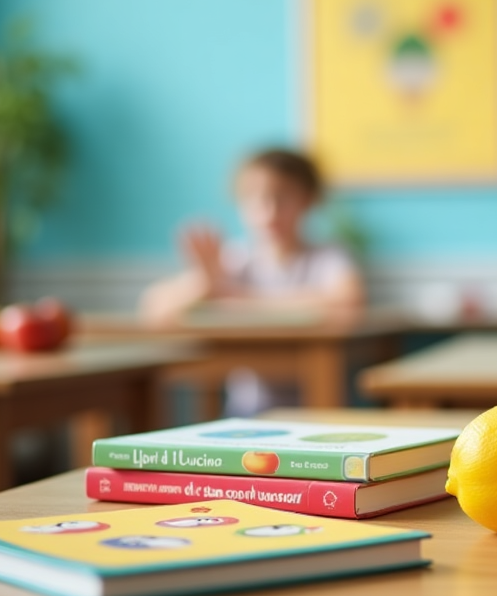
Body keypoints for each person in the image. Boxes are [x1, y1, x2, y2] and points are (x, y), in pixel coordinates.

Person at [139, 147, 365, 413]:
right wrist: (204, 285)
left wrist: (239, 300)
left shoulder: (327, 257)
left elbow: (348, 300)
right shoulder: (236, 259)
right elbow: (154, 307)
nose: (269, 212)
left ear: (307, 200)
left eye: (282, 198)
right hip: (247, 414)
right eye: (254, 198)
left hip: (317, 410)